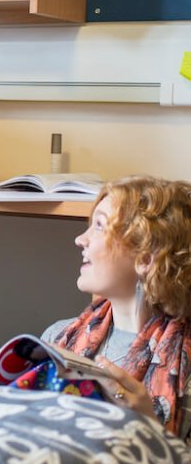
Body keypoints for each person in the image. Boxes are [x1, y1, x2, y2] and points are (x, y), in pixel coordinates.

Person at [39, 176, 191, 445]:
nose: (80, 239)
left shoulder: (186, 365)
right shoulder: (58, 338)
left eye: (99, 226)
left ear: (145, 257)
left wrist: (151, 431)